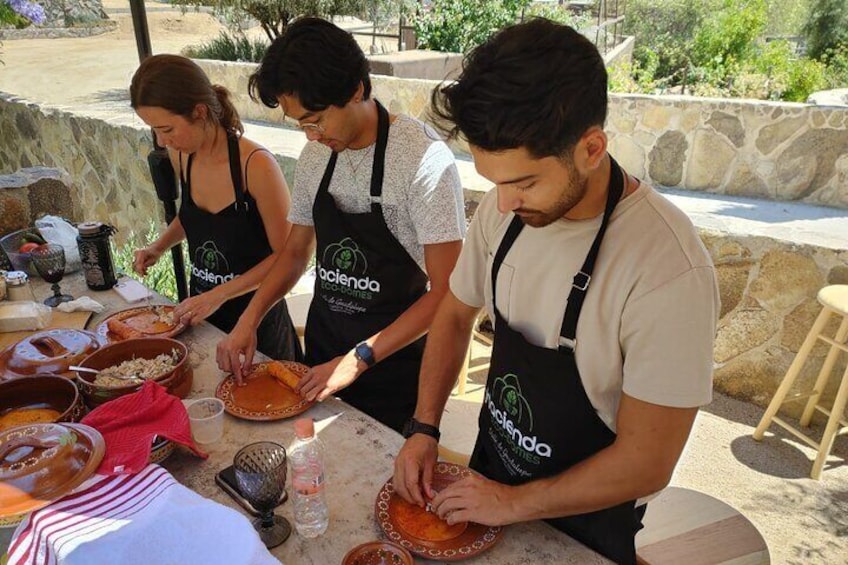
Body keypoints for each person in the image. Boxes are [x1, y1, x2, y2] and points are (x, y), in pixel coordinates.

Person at [392, 19, 719, 564]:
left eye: (523, 183)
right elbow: (452, 312)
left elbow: (647, 460)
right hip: (488, 480)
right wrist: (424, 425)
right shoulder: (505, 215)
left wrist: (513, 503)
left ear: (591, 148)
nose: (502, 205)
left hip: (583, 528)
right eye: (494, 182)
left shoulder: (668, 270)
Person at [216, 18, 466, 433]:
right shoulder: (317, 155)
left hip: (391, 369)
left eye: (315, 120)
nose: (310, 136)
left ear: (356, 89)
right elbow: (296, 251)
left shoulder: (421, 161)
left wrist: (357, 359)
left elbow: (447, 292)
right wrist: (250, 319)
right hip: (322, 352)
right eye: (300, 124)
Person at [130, 54, 301, 362]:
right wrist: (158, 246)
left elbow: (285, 256)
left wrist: (219, 295)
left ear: (199, 112)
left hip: (257, 323)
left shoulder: (256, 165)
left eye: (167, 129)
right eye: (154, 130)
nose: (162, 141)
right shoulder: (182, 156)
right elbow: (193, 216)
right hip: (202, 315)